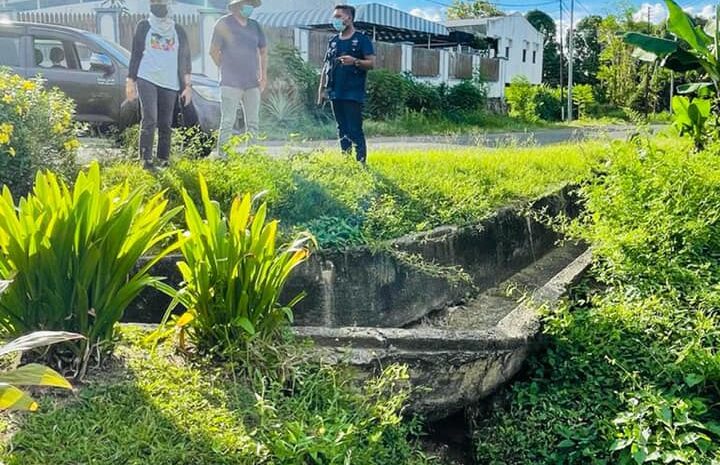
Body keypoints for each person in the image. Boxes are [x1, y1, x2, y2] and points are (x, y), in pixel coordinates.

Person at [126, 0, 192, 169]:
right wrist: (130, 81)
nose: (159, 5)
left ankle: (163, 159)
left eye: (162, 2)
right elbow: (135, 54)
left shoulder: (178, 31)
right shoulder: (144, 26)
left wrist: (187, 87)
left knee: (165, 122)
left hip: (170, 82)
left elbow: (186, 60)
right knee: (150, 118)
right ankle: (145, 160)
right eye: (155, 1)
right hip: (147, 77)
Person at [318, 4, 375, 165]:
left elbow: (371, 63)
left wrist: (355, 61)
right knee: (341, 129)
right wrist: (321, 90)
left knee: (354, 129)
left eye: (338, 16)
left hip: (353, 93)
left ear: (349, 18)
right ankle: (346, 162)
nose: (334, 20)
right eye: (334, 16)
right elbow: (326, 67)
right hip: (335, 92)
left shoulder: (362, 39)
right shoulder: (333, 41)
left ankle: (361, 164)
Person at [210, 0, 267, 157]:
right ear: (237, 5)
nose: (249, 7)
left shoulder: (255, 26)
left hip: (252, 82)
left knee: (253, 122)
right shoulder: (224, 24)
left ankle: (252, 155)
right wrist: (224, 66)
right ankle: (223, 156)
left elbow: (263, 51)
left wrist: (263, 77)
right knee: (228, 121)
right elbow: (213, 51)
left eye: (251, 4)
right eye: (246, 3)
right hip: (230, 82)